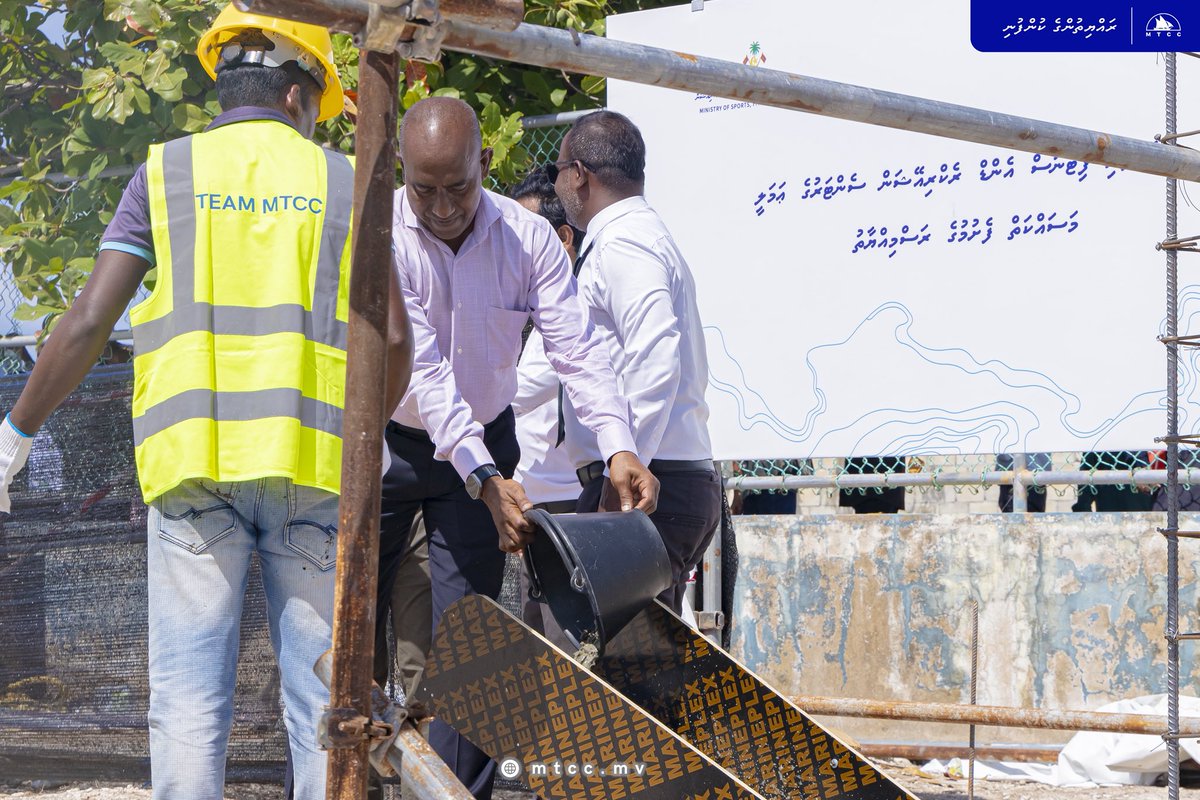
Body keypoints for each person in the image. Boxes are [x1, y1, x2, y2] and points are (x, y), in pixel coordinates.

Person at [0, 7, 413, 799]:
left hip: (193, 475)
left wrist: (16, 432)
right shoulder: (343, 178)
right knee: (321, 708)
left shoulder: (165, 174)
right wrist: (367, 440)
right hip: (314, 472)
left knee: (190, 708)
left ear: (225, 84)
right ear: (301, 96)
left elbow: (88, 321)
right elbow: (393, 336)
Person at [380, 96, 658, 800]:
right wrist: (484, 478)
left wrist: (620, 445)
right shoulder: (380, 233)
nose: (442, 208)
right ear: (400, 172)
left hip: (484, 442)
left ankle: (449, 794)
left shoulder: (528, 238)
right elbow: (423, 370)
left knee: (473, 646)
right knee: (343, 628)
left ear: (487, 163)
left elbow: (579, 351)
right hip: (385, 443)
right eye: (424, 189)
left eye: (459, 188)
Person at [552, 110, 721, 614]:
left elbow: (655, 357)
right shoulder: (633, 236)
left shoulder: (624, 241)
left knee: (610, 667)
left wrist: (625, 468)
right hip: (654, 480)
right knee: (626, 665)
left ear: (579, 174)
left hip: (648, 484)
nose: (557, 181)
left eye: (559, 169)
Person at [508, 165, 586, 645]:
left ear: (561, 239)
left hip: (568, 510)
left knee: (569, 657)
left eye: (523, 235)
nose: (511, 250)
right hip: (532, 507)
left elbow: (514, 391)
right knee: (541, 655)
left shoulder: (572, 308)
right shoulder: (530, 310)